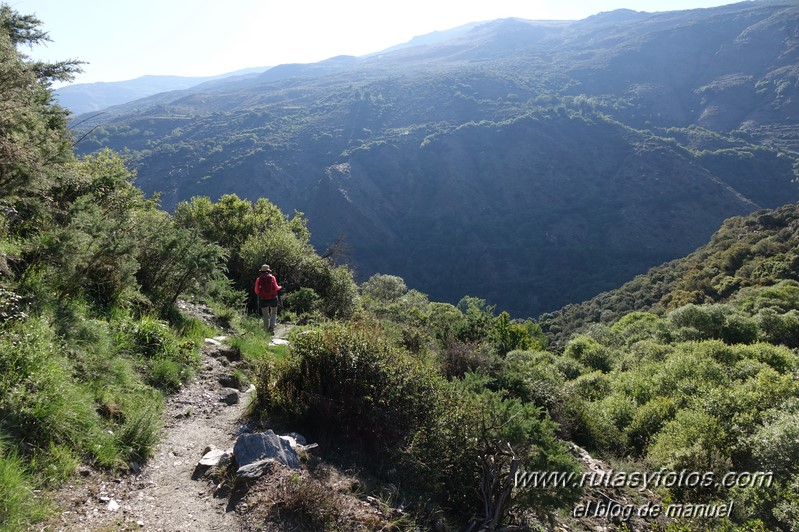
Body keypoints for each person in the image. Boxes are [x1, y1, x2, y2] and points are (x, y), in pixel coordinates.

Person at [254, 264, 282, 332]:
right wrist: (280, 287)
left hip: (263, 299)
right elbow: (276, 287)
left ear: (261, 271)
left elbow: (256, 291)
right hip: (273, 298)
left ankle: (266, 329)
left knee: (265, 314)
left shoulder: (259, 279)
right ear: (268, 271)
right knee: (274, 312)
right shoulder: (272, 277)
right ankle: (271, 327)